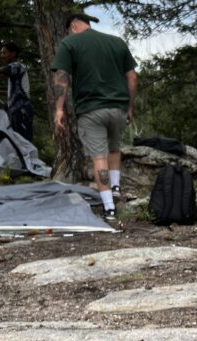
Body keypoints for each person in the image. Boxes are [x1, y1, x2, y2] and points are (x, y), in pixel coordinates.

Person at [51, 12, 137, 221]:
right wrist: (129, 107)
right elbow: (132, 77)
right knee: (114, 148)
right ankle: (115, 187)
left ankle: (109, 209)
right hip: (117, 109)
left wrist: (59, 109)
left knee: (99, 158)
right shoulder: (116, 42)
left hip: (91, 110)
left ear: (72, 26)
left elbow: (62, 78)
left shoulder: (70, 43)